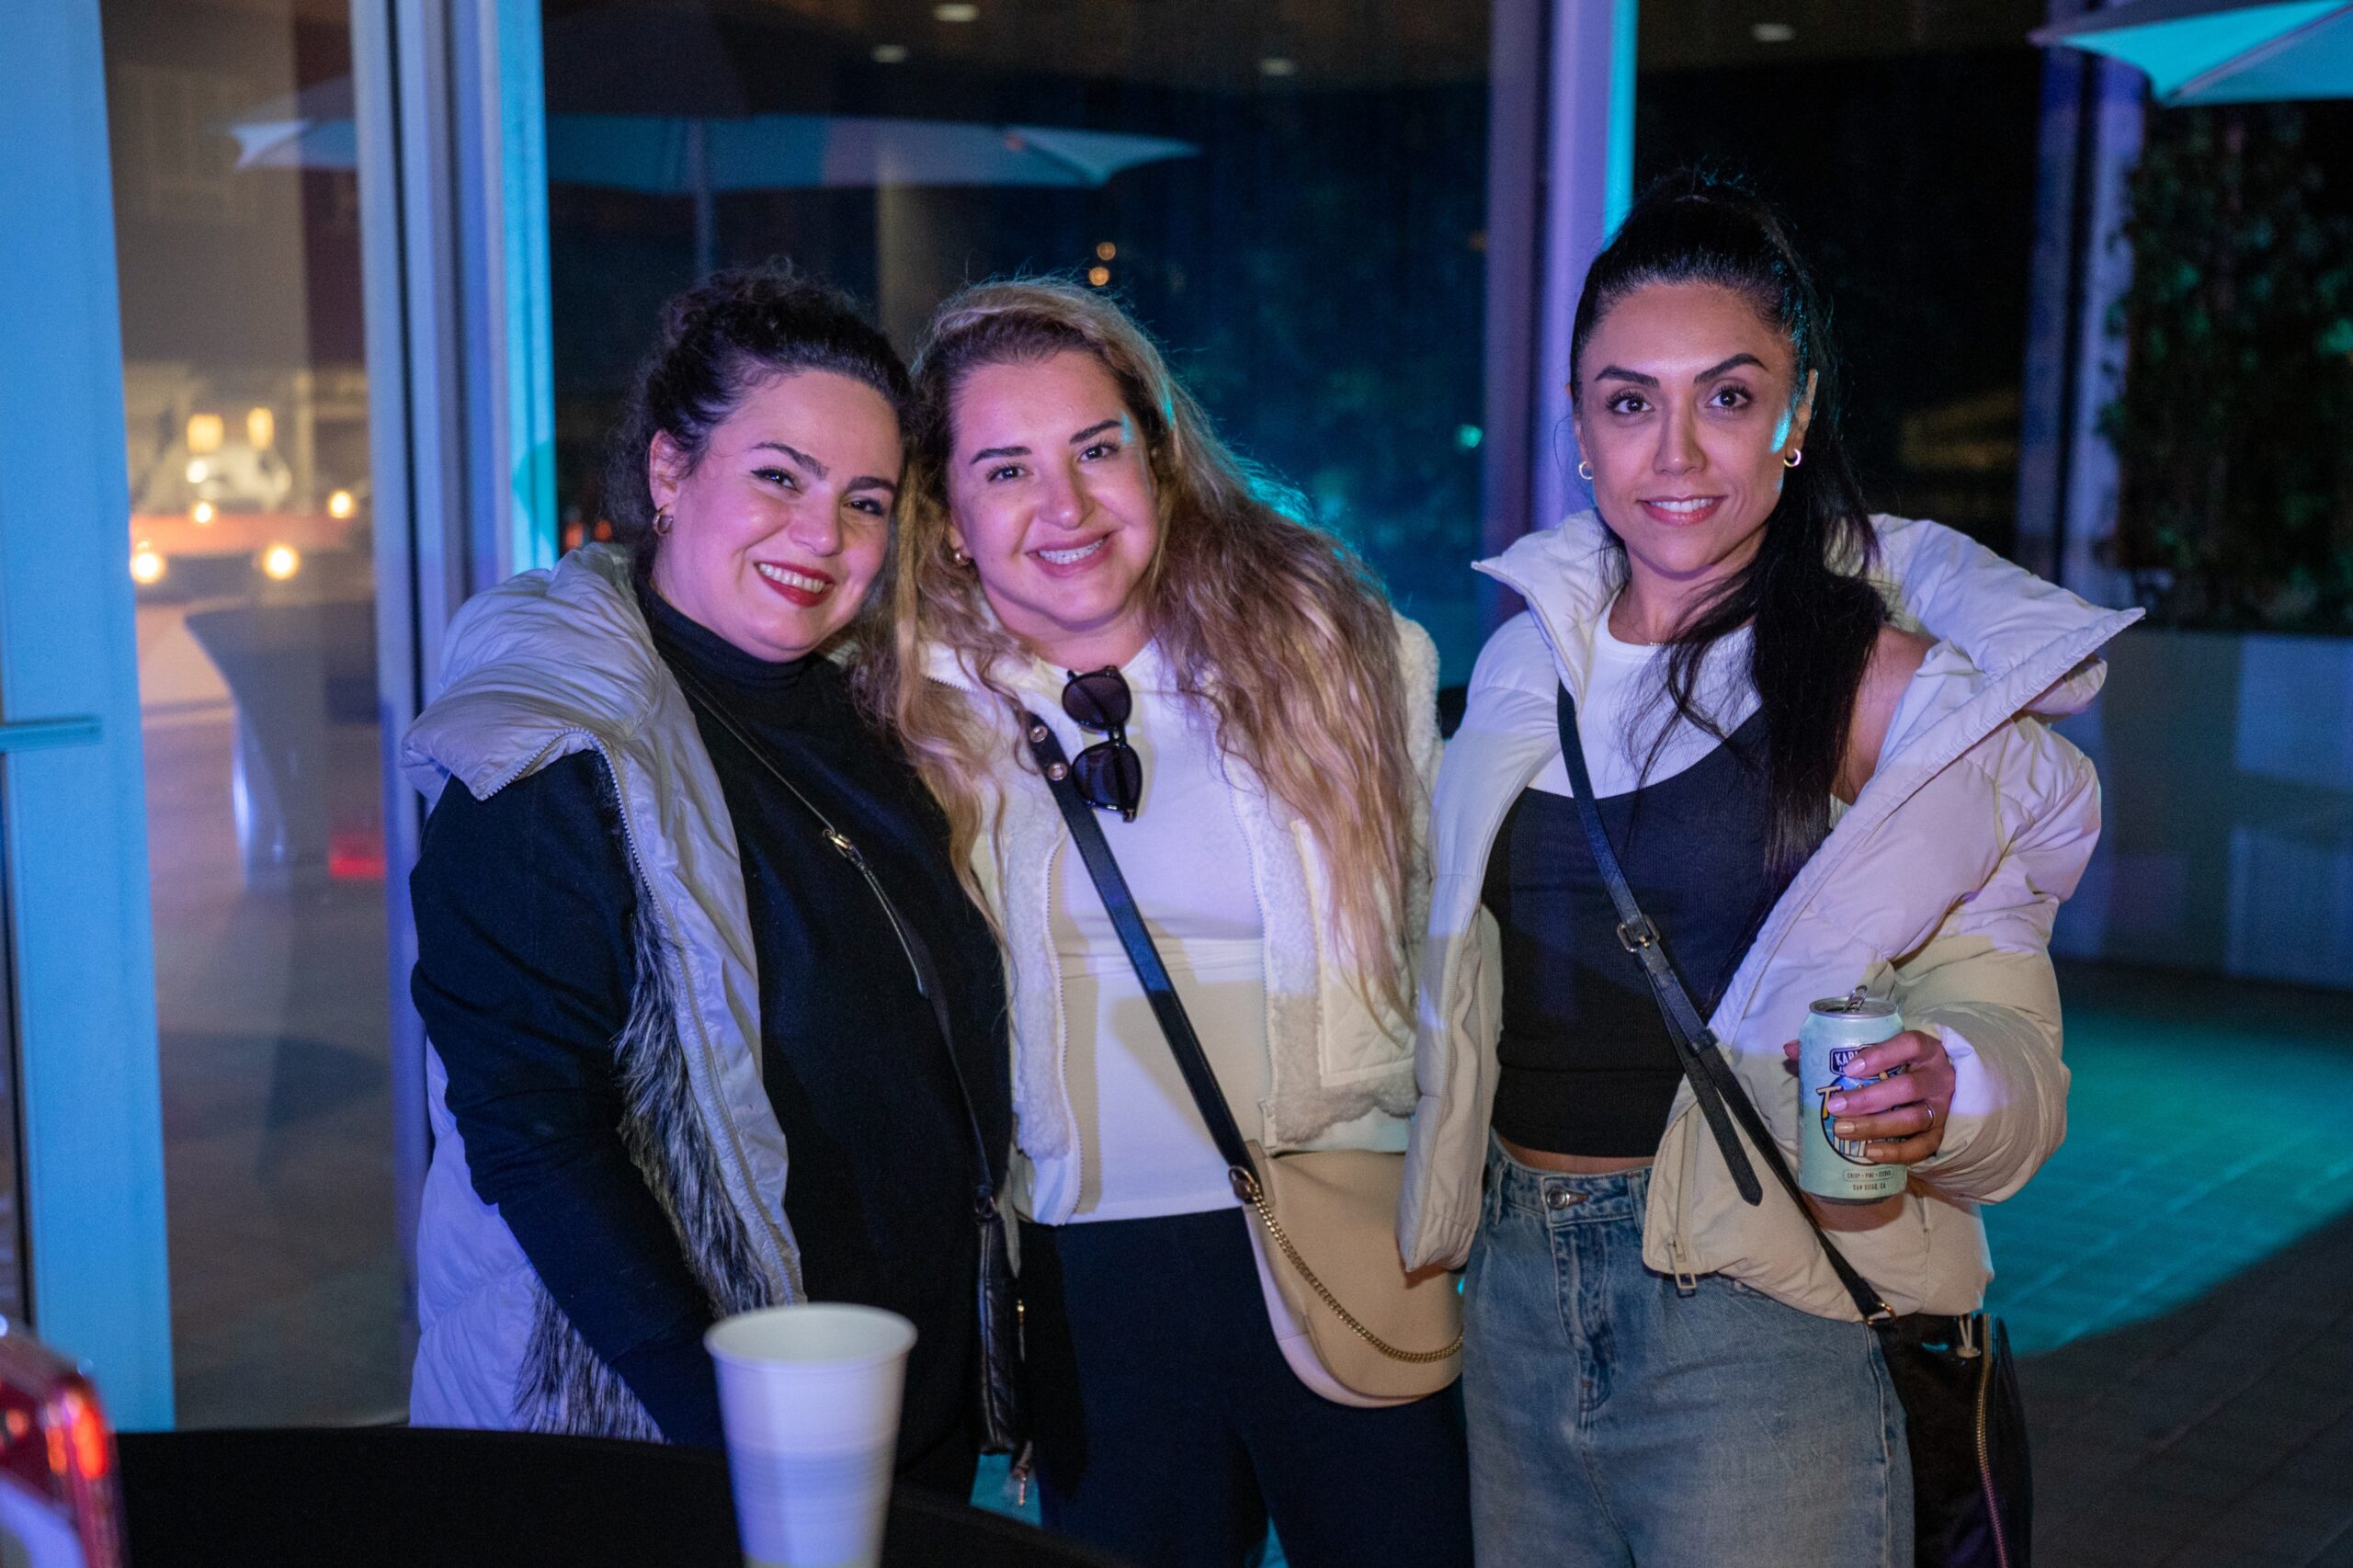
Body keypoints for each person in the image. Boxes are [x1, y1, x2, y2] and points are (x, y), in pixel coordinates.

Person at [1397, 174, 2136, 1566]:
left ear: (1795, 418)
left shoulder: (1874, 681)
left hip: (1755, 1308)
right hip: (1513, 1301)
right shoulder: (1516, 665)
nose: (1676, 451)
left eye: (1728, 398)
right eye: (1630, 401)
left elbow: (2005, 1022)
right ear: (1578, 430)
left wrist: (1949, 1083)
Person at [861, 278, 1473, 1568]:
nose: (1067, 505)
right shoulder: (910, 722)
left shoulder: (1338, 658)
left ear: (1158, 455)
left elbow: (1448, 949)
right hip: (1090, 1284)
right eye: (1007, 469)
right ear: (949, 515)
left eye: (1096, 449)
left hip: (1348, 1228)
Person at [403, 265, 1011, 1497]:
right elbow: (531, 1130)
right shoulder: (544, 750)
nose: (823, 535)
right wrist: (721, 1417)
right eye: (779, 477)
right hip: (674, 1432)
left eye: (864, 501)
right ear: (671, 473)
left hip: (908, 1409)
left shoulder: (875, 718)